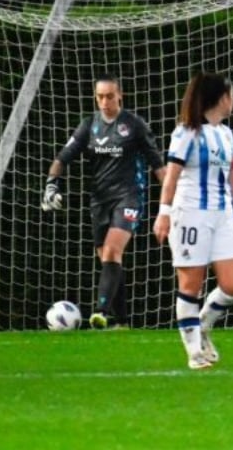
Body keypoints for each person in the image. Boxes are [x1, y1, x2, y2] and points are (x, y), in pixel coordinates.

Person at [152, 72, 233, 370]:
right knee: (190, 284)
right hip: (191, 214)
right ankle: (194, 352)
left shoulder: (225, 133)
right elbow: (171, 176)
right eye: (232, 95)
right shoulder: (186, 133)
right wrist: (164, 213)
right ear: (223, 97)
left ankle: (203, 324)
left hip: (222, 216)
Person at [43, 74, 165, 329]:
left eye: (110, 96)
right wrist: (51, 185)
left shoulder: (134, 125)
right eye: (100, 97)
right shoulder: (89, 126)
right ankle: (121, 322)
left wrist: (171, 204)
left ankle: (100, 312)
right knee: (109, 260)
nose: (105, 101)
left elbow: (158, 166)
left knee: (112, 251)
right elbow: (62, 158)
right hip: (99, 200)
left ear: (120, 95)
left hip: (129, 196)